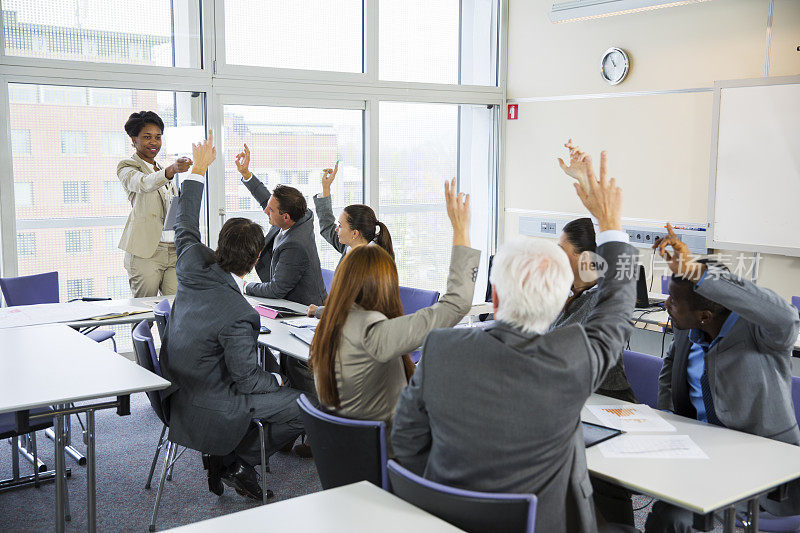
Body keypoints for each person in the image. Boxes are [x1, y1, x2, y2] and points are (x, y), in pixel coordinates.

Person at [391, 147, 638, 533]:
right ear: (560, 298)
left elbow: (405, 440)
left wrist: (445, 500)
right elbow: (619, 306)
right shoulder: (573, 358)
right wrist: (610, 221)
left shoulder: (441, 349)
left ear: (495, 295)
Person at [161, 131, 305, 501]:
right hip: (212, 400)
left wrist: (199, 170)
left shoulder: (192, 262)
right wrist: (276, 379)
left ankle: (228, 456)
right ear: (257, 260)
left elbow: (185, 224)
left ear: (220, 243)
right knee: (304, 406)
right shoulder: (241, 315)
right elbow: (246, 379)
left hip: (177, 391)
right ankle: (235, 461)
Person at [644, 224, 800, 532]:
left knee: (680, 515)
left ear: (705, 314)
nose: (665, 305)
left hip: (762, 466)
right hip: (700, 454)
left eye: (673, 302)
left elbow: (786, 316)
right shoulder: (688, 326)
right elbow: (669, 371)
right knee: (667, 517)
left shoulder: (761, 333)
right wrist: (666, 425)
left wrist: (699, 273)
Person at [309, 178, 479, 443]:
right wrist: (461, 231)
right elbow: (456, 304)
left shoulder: (330, 328)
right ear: (384, 283)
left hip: (348, 450)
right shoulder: (375, 333)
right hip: (390, 453)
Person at [234, 144, 326, 306]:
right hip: (286, 299)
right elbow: (267, 199)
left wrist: (245, 286)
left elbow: (276, 289)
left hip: (303, 310)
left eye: (270, 211)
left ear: (286, 217)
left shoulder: (294, 245)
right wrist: (246, 174)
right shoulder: (300, 213)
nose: (265, 211)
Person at [117, 111, 192, 298]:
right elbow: (143, 183)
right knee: (145, 313)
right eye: (147, 137)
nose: (154, 142)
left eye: (158, 137)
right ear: (134, 139)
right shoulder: (127, 166)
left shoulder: (161, 167)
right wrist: (172, 170)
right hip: (146, 252)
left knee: (175, 310)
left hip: (173, 249)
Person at [308, 161, 395, 318]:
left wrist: (319, 311)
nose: (336, 229)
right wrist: (326, 189)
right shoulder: (349, 247)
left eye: (340, 226)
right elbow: (327, 226)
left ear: (355, 233)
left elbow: (355, 310)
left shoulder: (371, 263)